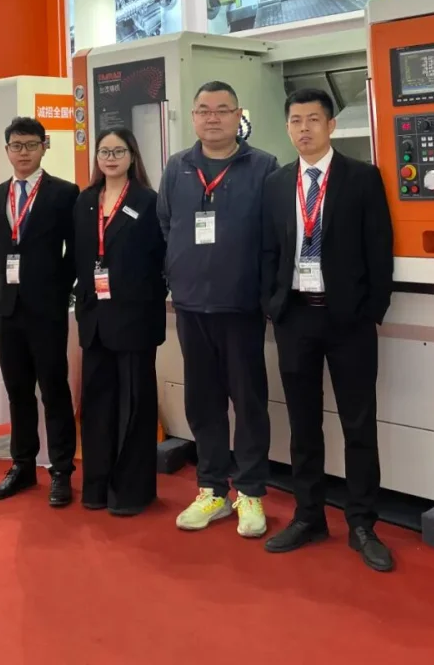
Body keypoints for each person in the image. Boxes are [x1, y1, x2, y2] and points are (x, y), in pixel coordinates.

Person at [261, 87, 395, 571]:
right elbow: (269, 250)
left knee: (359, 424)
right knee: (303, 424)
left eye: (313, 120)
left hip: (348, 321)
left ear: (331, 125)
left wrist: (371, 310)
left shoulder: (362, 178)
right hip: (296, 317)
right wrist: (273, 305)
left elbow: (379, 249)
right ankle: (309, 516)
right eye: (295, 121)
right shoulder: (277, 183)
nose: (304, 129)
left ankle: (362, 524)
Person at [157, 81, 277, 538]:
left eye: (223, 110)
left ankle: (250, 492)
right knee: (202, 402)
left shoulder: (263, 166)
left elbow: (274, 235)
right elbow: (166, 225)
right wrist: (177, 274)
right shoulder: (177, 168)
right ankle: (211, 489)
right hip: (190, 306)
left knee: (248, 402)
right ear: (193, 117)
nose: (213, 117)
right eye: (204, 110)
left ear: (238, 116)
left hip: (241, 306)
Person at [0, 116, 79, 506]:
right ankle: (22, 465)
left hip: (47, 309)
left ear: (44, 147)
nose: (23, 153)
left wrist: (57, 289)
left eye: (31, 145)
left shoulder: (65, 193)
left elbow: (74, 251)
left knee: (54, 390)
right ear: (7, 150)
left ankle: (61, 471)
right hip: (8, 308)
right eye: (16, 146)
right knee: (18, 391)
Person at [74, 127, 166, 515]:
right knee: (97, 404)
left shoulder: (148, 201)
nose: (110, 158)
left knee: (134, 405)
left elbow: (161, 258)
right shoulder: (84, 201)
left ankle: (130, 492)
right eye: (104, 152)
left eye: (118, 151)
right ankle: (96, 487)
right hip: (94, 318)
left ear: (132, 156)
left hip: (134, 319)